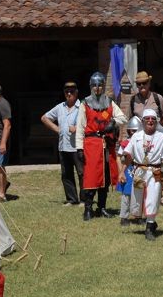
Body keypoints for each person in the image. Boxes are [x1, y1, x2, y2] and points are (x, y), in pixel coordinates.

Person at [120, 108, 163, 240]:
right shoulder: (136, 137)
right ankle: (150, 222)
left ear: (156, 121)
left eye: (153, 119)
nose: (150, 121)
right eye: (147, 119)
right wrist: (122, 172)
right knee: (137, 200)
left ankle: (150, 227)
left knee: (153, 197)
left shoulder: (162, 137)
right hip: (139, 172)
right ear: (143, 121)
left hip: (155, 172)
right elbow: (129, 156)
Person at [76, 71, 126, 220]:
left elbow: (123, 117)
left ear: (103, 86)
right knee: (91, 176)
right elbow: (80, 127)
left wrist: (113, 122)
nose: (97, 88)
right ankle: (88, 208)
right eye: (94, 85)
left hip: (106, 145)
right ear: (91, 86)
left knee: (106, 176)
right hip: (91, 144)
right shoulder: (85, 104)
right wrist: (79, 148)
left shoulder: (109, 102)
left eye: (100, 85)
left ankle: (102, 207)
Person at [41, 81, 83, 205]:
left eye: (72, 91)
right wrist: (57, 129)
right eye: (66, 92)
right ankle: (72, 199)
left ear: (76, 92)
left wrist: (78, 128)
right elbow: (44, 118)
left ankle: (84, 200)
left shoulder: (82, 107)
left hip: (78, 146)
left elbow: (90, 124)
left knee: (82, 173)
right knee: (66, 174)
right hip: (63, 146)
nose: (69, 94)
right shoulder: (60, 107)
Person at [116, 116, 143, 227]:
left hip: (139, 170)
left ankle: (138, 216)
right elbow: (118, 157)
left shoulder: (142, 142)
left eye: (135, 130)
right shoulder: (125, 143)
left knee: (139, 193)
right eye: (131, 130)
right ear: (128, 131)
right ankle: (124, 217)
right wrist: (121, 172)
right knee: (126, 195)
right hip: (127, 170)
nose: (133, 133)